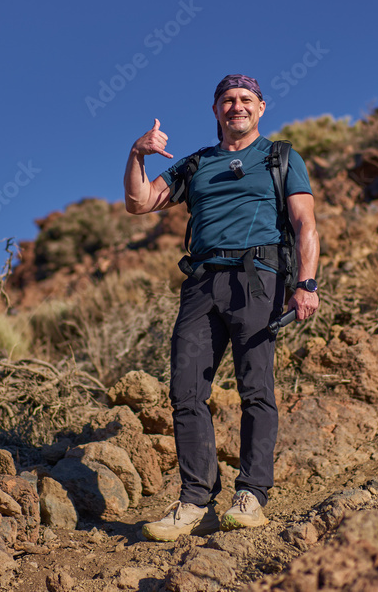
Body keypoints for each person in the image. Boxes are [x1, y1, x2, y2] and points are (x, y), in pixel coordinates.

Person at [123, 74, 320, 541]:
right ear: (215, 111)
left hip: (258, 279)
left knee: (256, 388)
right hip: (201, 283)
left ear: (261, 108)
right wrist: (137, 153)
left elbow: (304, 222)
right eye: (228, 100)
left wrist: (307, 283)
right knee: (186, 391)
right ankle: (195, 501)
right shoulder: (196, 165)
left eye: (245, 99)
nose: (237, 107)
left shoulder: (280, 157)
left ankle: (251, 495)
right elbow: (139, 202)